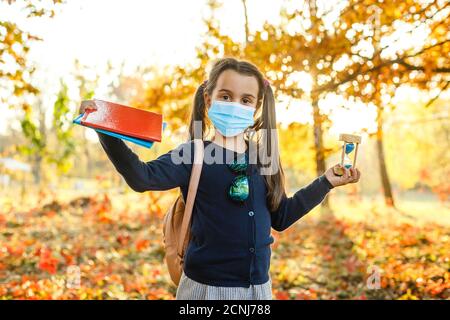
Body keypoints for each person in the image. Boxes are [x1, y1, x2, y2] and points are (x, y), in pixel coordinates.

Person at [78, 57, 361, 300]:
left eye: (246, 100)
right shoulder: (194, 154)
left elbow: (282, 217)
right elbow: (142, 177)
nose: (235, 105)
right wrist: (105, 127)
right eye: (226, 96)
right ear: (208, 98)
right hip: (207, 289)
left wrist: (325, 182)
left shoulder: (264, 157)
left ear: (256, 107)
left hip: (258, 289)